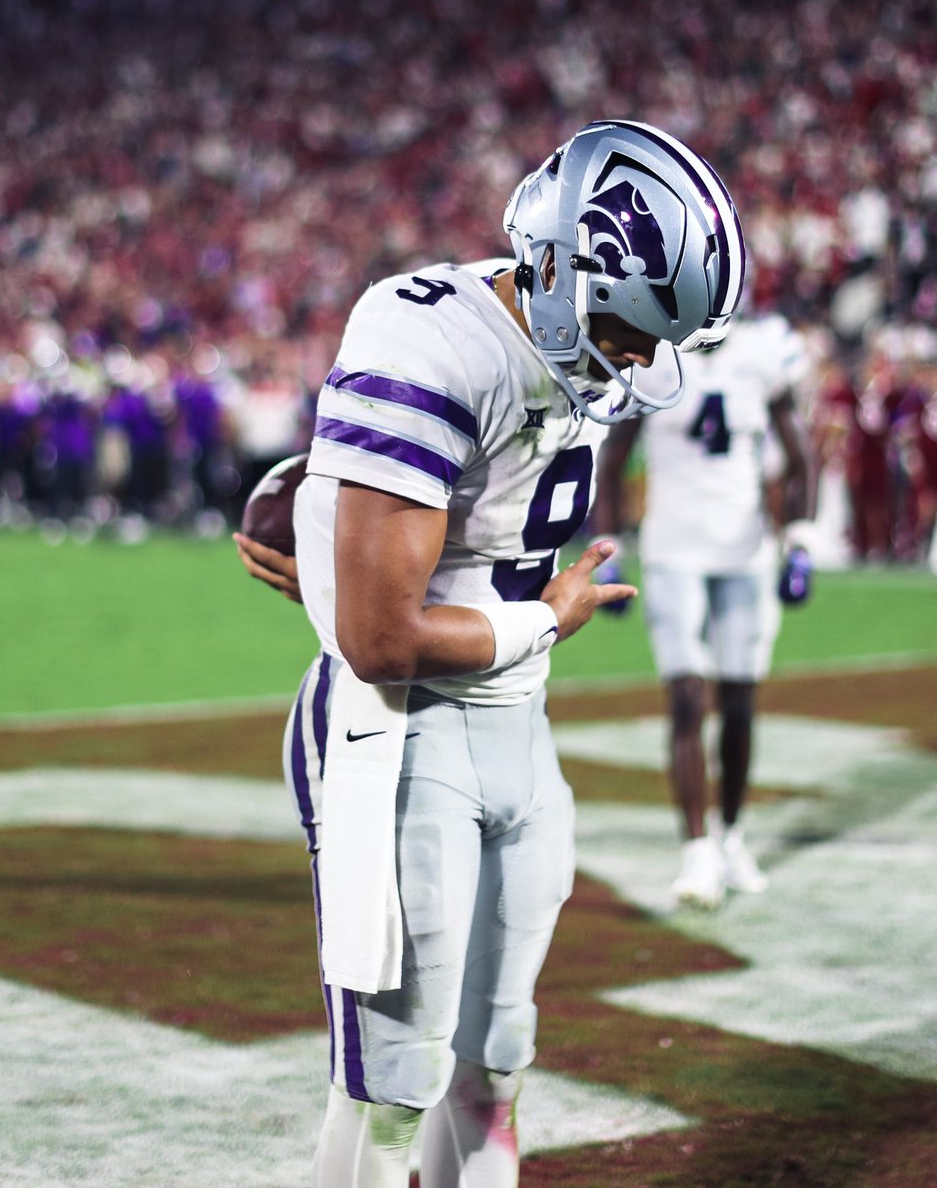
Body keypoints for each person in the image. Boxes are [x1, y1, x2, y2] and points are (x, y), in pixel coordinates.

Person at [234, 120, 745, 1186]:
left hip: (520, 726)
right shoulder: (432, 334)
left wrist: (344, 527)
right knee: (388, 1091)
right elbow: (380, 640)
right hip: (400, 735)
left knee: (496, 1068)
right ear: (558, 264)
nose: (640, 360)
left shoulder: (568, 338)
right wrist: (542, 618)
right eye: (631, 327)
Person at [593, 303, 816, 910]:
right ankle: (696, 849)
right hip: (673, 551)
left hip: (745, 551)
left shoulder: (762, 356)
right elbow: (612, 462)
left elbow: (801, 461)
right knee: (687, 697)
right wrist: (608, 550)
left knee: (740, 702)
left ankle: (732, 835)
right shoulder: (657, 359)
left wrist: (799, 542)